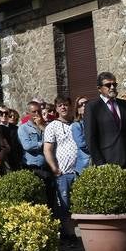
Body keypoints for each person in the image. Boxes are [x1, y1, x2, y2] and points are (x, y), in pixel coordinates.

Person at [83, 71, 126, 170]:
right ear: (99, 88)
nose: (112, 87)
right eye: (108, 85)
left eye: (114, 84)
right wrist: (100, 163)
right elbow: (90, 137)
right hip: (107, 161)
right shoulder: (92, 107)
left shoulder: (124, 105)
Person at [43, 96, 79, 242]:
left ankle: (70, 233)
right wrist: (55, 168)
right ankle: (68, 234)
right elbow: (47, 149)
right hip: (63, 172)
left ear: (70, 107)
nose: (63, 108)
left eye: (66, 105)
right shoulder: (52, 126)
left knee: (77, 204)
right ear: (56, 108)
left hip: (78, 170)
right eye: (60, 105)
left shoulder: (76, 125)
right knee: (64, 205)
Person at [17, 100, 54, 207]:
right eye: (34, 112)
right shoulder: (23, 128)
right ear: (28, 113)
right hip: (33, 168)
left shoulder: (45, 127)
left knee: (50, 198)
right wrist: (43, 144)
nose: (37, 114)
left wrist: (41, 126)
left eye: (38, 111)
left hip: (46, 167)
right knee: (37, 200)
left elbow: (52, 141)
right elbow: (27, 146)